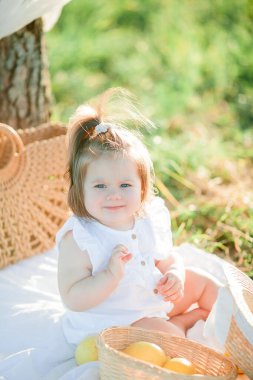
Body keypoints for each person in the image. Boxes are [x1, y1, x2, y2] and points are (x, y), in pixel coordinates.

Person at [56, 87, 219, 346]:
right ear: (80, 190)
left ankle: (237, 327)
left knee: (204, 283)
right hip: (115, 323)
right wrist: (109, 275)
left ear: (142, 188)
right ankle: (184, 322)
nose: (114, 195)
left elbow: (165, 257)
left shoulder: (145, 218)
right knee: (169, 339)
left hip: (150, 299)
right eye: (100, 186)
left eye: (125, 185)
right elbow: (72, 297)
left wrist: (174, 273)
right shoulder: (81, 238)